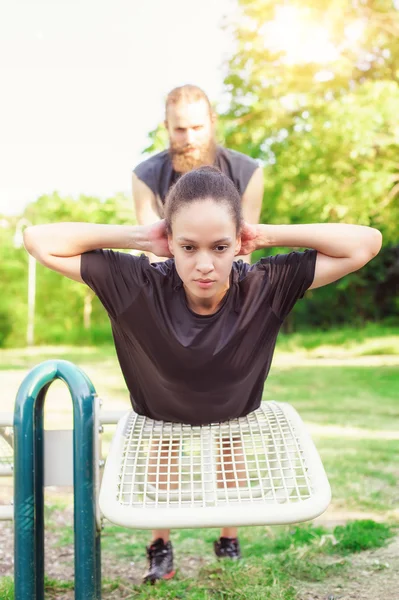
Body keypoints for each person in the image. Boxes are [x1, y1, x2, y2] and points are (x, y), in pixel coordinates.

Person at [23, 166, 382, 584]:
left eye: (220, 247)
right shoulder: (138, 282)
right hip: (159, 415)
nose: (205, 265)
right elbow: (38, 241)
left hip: (235, 412)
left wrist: (266, 234)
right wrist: (138, 237)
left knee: (229, 453)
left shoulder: (264, 283)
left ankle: (227, 540)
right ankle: (160, 546)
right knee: (162, 463)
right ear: (169, 242)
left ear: (239, 245)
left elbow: (366, 244)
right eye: (189, 247)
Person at [132, 84, 264, 262]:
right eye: (180, 130)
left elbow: (243, 251)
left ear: (212, 121)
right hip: (170, 280)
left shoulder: (248, 172)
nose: (189, 139)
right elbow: (155, 254)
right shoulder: (144, 177)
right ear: (167, 127)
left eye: (197, 128)